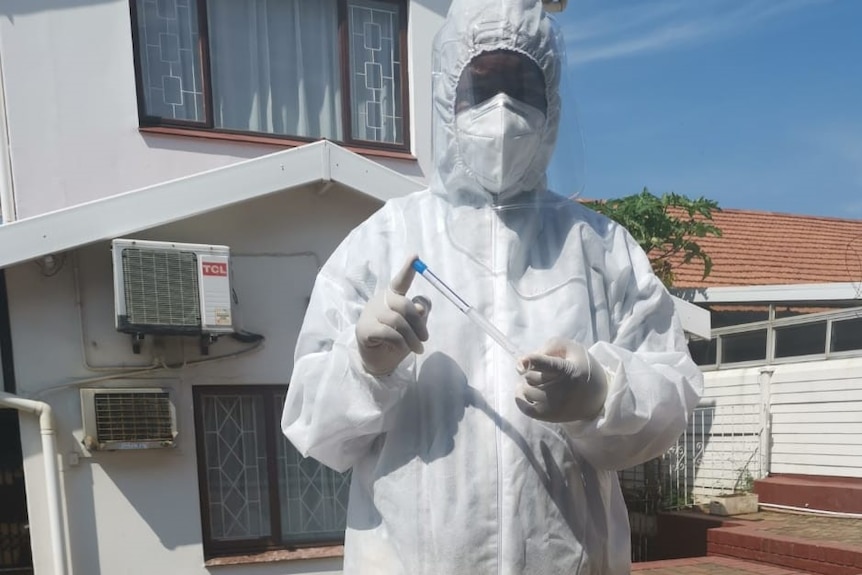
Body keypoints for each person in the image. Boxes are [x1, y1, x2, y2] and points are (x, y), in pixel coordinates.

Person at [281, 0, 703, 572]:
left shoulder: (601, 249)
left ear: (551, 102)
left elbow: (672, 396)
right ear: (445, 98)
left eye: (521, 84)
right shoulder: (383, 241)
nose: (502, 110)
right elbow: (314, 430)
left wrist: (602, 393)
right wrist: (363, 367)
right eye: (480, 86)